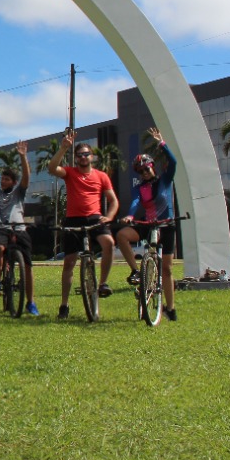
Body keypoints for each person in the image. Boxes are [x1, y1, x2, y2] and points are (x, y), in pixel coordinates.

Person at [47, 129, 119, 319]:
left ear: (91, 156)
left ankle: (102, 283)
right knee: (69, 262)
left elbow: (113, 200)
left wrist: (109, 216)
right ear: (76, 158)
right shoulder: (70, 173)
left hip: (95, 218)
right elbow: (52, 168)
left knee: (109, 243)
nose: (83, 157)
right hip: (73, 219)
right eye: (79, 155)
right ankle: (64, 304)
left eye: (86, 154)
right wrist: (63, 149)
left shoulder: (102, 176)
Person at [115, 127, 179, 321]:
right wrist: (130, 217)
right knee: (122, 235)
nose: (144, 172)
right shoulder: (139, 188)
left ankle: (170, 307)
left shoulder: (165, 180)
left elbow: (173, 162)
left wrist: (162, 143)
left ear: (152, 166)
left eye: (146, 168)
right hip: (149, 224)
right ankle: (136, 270)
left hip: (166, 225)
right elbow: (135, 203)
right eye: (140, 171)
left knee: (166, 269)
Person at [0, 140, 37, 316]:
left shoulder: (19, 192)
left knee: (27, 266)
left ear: (13, 181)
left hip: (19, 229)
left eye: (7, 179)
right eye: (2, 179)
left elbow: (26, 177)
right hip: (0, 228)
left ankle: (31, 302)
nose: (3, 181)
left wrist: (23, 156)